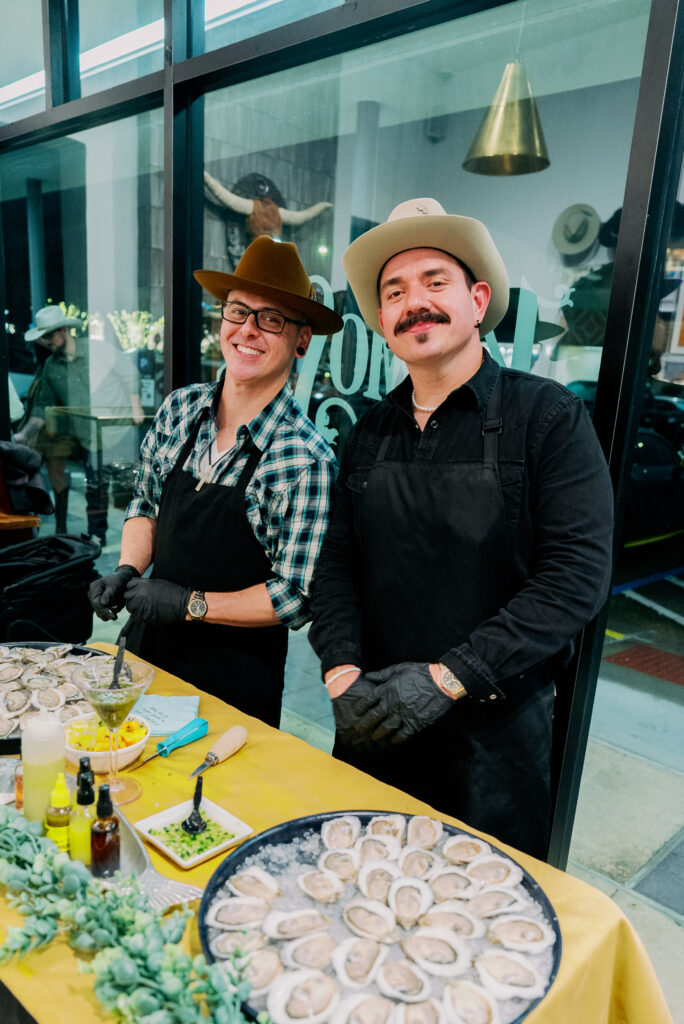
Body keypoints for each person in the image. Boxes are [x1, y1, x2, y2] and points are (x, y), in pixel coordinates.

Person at [309, 198, 614, 858]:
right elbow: (334, 565)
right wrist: (340, 672)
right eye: (395, 291)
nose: (414, 302)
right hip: (375, 719)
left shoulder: (547, 419)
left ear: (478, 300)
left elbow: (575, 579)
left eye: (434, 282)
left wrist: (448, 677)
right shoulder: (367, 434)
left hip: (492, 740)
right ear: (384, 322)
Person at [88, 235, 342, 726]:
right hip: (145, 655)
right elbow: (145, 505)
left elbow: (295, 595)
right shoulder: (180, 408)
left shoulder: (305, 458)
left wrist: (189, 604)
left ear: (302, 339)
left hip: (234, 679)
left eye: (271, 319)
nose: (247, 330)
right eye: (237, 311)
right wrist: (127, 570)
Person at [16, 305, 143, 543]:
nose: (46, 342)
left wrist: (136, 407)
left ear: (64, 330)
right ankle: (97, 535)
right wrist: (24, 435)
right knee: (95, 486)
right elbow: (43, 406)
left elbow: (129, 374)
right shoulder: (51, 367)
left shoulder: (98, 350)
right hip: (89, 435)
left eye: (49, 335)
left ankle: (139, 537)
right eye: (42, 338)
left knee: (128, 485)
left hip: (119, 428)